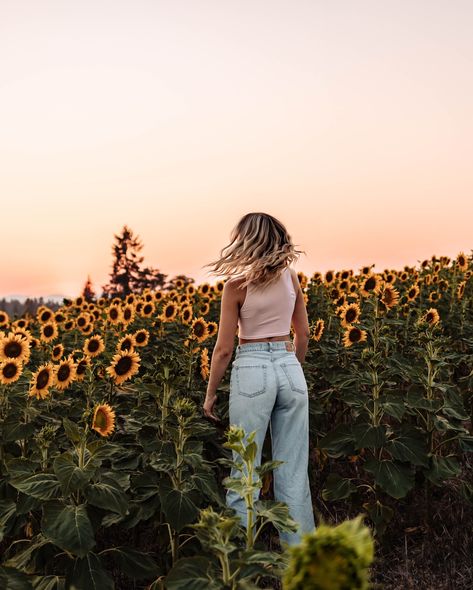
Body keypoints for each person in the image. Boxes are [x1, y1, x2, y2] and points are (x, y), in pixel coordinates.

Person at [202, 212, 316, 548]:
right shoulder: (291, 278)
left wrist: (210, 395)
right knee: (294, 472)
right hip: (289, 366)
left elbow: (223, 349)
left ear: (246, 241)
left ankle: (238, 562)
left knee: (245, 470)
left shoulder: (235, 287)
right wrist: (289, 367)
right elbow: (304, 334)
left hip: (252, 368)